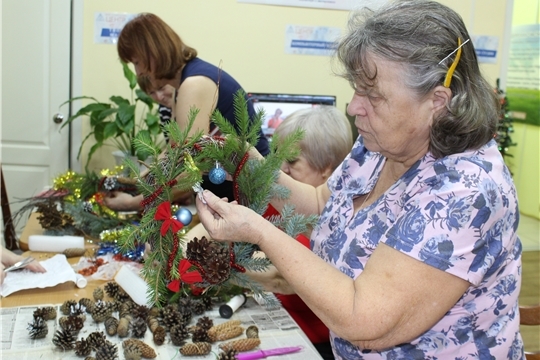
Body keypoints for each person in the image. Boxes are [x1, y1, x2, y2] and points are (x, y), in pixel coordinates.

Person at [194, 1, 524, 358]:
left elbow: (364, 320)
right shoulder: (381, 144)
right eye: (356, 89)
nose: (353, 107)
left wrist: (258, 231)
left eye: (373, 95)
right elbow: (323, 205)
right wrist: (246, 159)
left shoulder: (466, 190)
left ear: (437, 102)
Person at [104, 13, 270, 211]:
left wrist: (133, 203)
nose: (138, 72)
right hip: (232, 198)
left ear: (154, 53)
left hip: (254, 200)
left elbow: (188, 171)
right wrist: (138, 181)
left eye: (137, 62)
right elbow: (174, 152)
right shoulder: (182, 86)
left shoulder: (194, 84)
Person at [254, 106, 353, 359]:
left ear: (327, 168)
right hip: (283, 321)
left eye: (292, 161)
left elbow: (281, 276)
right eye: (276, 156)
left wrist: (216, 262)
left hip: (314, 344)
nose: (280, 168)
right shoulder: (283, 199)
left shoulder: (330, 224)